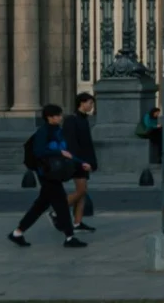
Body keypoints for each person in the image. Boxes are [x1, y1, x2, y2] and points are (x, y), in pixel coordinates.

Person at [11, 103, 88, 249]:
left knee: (40, 205)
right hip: (46, 173)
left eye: (60, 114)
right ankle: (70, 237)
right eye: (58, 115)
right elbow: (39, 152)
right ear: (49, 117)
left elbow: (65, 152)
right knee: (61, 205)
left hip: (53, 173)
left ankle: (17, 233)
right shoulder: (43, 132)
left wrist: (80, 163)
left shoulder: (57, 130)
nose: (60, 117)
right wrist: (58, 153)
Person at [65, 93, 98, 232]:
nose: (91, 106)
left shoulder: (84, 119)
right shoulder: (72, 120)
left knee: (83, 193)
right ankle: (57, 209)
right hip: (78, 161)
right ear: (81, 103)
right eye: (90, 103)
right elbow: (72, 144)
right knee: (81, 190)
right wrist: (79, 162)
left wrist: (92, 162)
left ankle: (77, 223)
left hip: (85, 161)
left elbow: (87, 144)